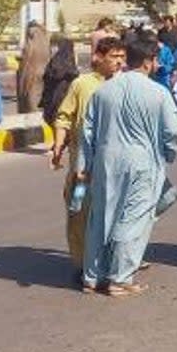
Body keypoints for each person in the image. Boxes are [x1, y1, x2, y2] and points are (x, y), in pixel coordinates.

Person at [77, 37, 177, 297]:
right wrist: (168, 154)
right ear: (148, 62)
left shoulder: (103, 91)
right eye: (155, 59)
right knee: (133, 219)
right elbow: (172, 133)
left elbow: (86, 133)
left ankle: (92, 276)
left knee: (100, 217)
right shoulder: (158, 92)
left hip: (105, 161)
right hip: (142, 162)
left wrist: (84, 165)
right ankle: (120, 278)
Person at [49, 37, 125, 275]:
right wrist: (58, 147)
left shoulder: (126, 84)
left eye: (122, 57)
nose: (119, 62)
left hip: (116, 162)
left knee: (117, 213)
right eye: (114, 57)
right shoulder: (82, 84)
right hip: (83, 165)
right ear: (98, 57)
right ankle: (82, 264)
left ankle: (115, 260)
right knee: (78, 209)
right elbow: (64, 117)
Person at [39, 38, 78, 128]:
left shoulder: (54, 62)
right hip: (64, 100)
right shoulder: (70, 64)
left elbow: (47, 79)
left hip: (52, 101)